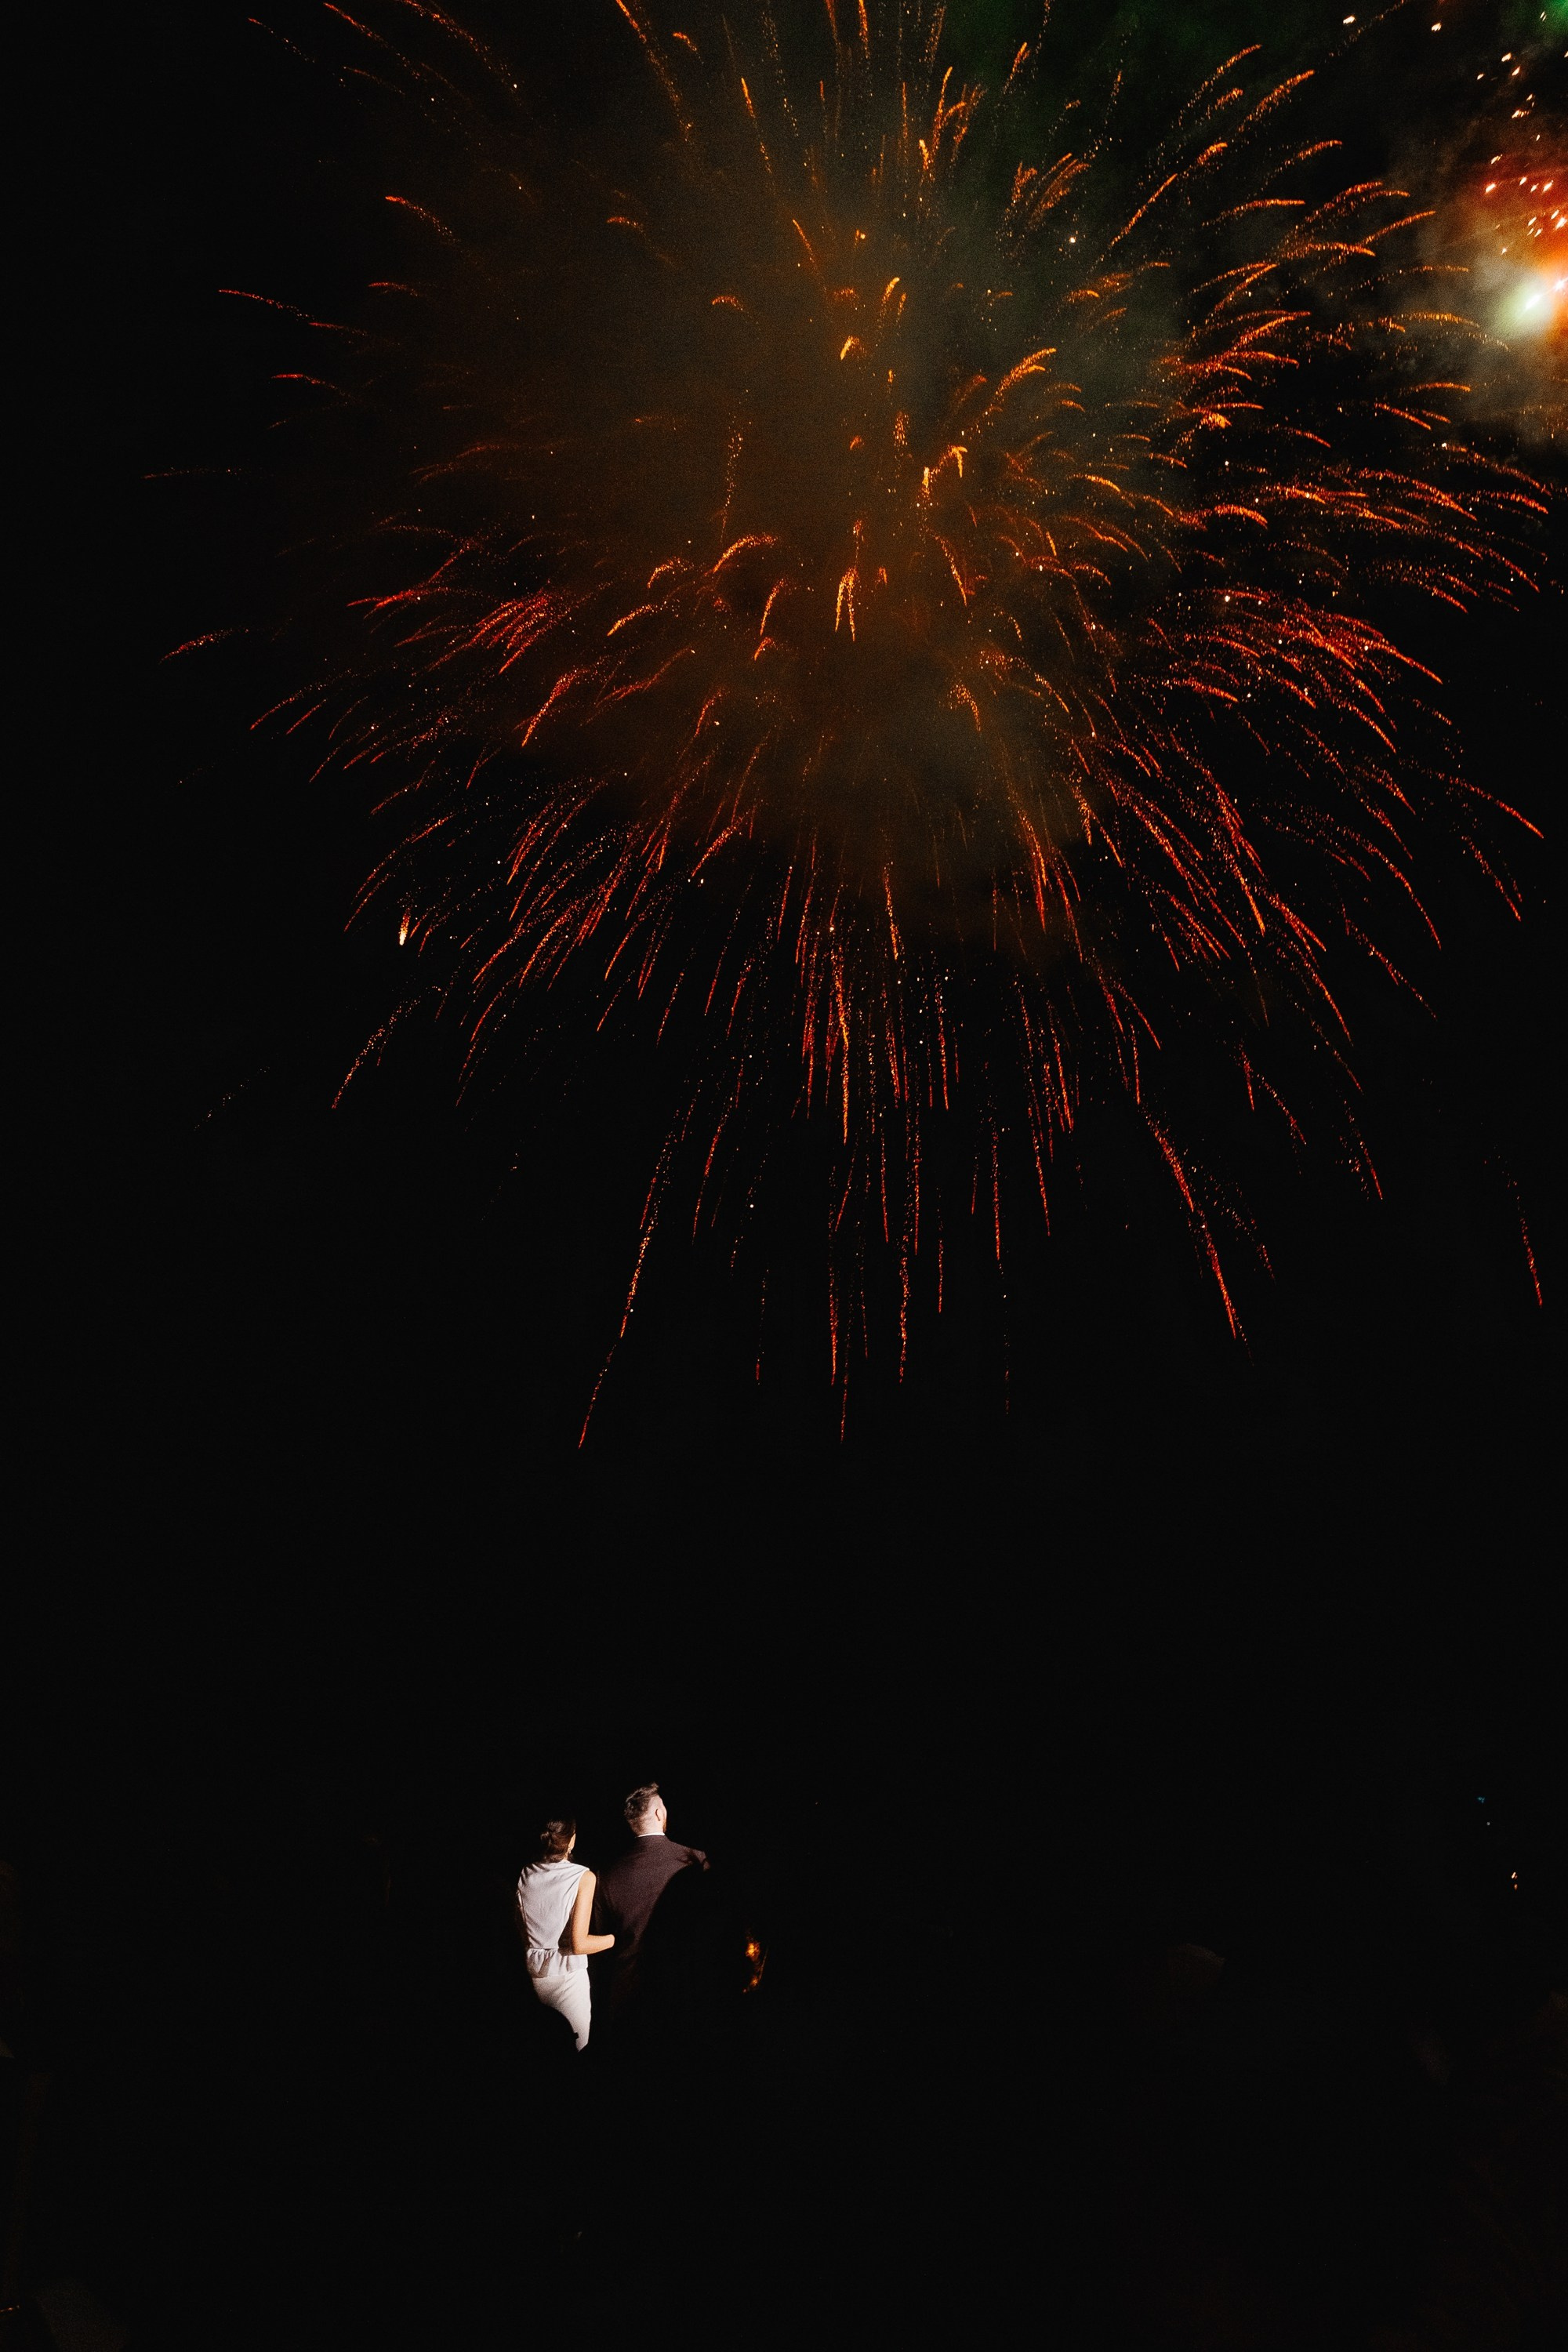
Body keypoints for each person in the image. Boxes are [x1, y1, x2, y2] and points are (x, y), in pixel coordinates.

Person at [590, 1784, 707, 2034]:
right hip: (682, 1990)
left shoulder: (607, 1874)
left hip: (626, 1993)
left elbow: (602, 1937)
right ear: (658, 1814)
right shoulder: (695, 1860)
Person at [515, 1816, 614, 2052]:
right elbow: (579, 1944)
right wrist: (616, 1939)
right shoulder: (583, 1877)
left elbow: (520, 1934)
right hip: (568, 1977)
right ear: (571, 1841)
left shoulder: (525, 1874)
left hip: (532, 1975)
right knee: (576, 2050)